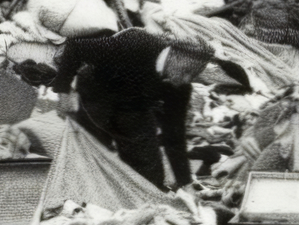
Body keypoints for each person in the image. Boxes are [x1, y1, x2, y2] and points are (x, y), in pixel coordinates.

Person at [50, 28, 209, 190]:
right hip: (96, 96)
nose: (187, 78)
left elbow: (174, 137)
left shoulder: (180, 89)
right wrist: (63, 92)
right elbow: (75, 47)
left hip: (134, 109)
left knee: (151, 178)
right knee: (94, 159)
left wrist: (185, 182)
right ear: (175, 54)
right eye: (186, 71)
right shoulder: (136, 43)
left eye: (193, 75)